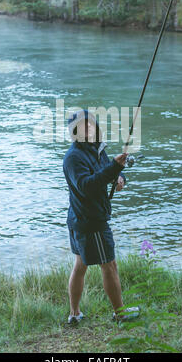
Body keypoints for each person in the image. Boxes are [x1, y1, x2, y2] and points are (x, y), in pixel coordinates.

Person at [63, 109, 139, 324]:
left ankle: (75, 314)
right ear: (74, 132)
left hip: (80, 218)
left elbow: (107, 171)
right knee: (109, 265)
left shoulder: (96, 149)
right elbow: (87, 186)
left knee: (80, 265)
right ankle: (120, 313)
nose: (88, 129)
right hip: (91, 221)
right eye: (82, 126)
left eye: (91, 124)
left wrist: (120, 176)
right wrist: (115, 167)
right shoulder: (73, 157)